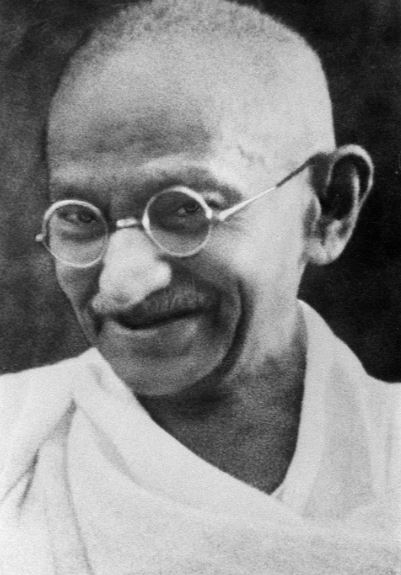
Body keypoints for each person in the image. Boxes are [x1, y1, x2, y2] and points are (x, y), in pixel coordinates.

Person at [0, 0, 399, 573]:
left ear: (330, 209)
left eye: (186, 210)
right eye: (81, 217)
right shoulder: (14, 442)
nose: (122, 284)